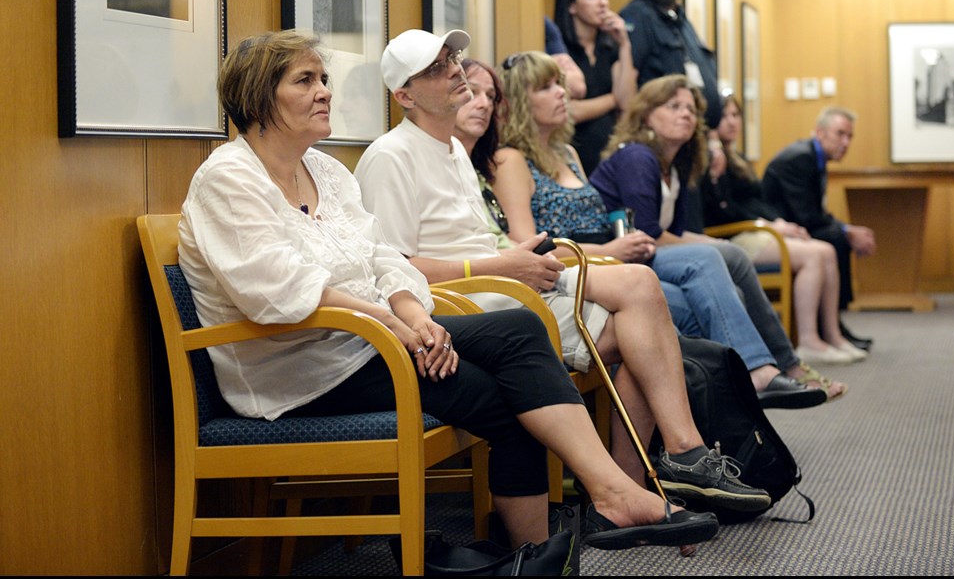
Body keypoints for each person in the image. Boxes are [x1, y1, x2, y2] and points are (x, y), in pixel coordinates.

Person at [176, 29, 721, 552]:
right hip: (300, 369)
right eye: (304, 80)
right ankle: (590, 513)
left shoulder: (324, 169)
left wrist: (414, 316)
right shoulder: (229, 179)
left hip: (367, 343)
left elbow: (384, 259)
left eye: (323, 78)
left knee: (518, 332)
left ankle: (592, 510)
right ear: (256, 97)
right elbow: (280, 291)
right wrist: (397, 327)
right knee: (508, 392)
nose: (324, 91)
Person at [354, 28, 772, 517]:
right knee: (643, 314)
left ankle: (637, 482)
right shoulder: (389, 156)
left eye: (453, 59)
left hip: (502, 279)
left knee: (642, 311)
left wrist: (520, 252)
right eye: (435, 68)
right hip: (474, 302)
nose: (455, 71)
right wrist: (502, 263)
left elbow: (482, 239)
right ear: (404, 95)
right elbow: (395, 269)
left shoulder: (454, 152)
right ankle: (674, 460)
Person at [486, 50, 826, 409]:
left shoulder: (568, 152)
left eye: (559, 83)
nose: (561, 92)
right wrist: (609, 252)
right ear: (521, 101)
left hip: (618, 257)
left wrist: (619, 247)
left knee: (712, 269)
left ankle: (738, 403)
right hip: (581, 268)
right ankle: (743, 392)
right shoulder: (511, 160)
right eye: (546, 87)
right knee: (689, 291)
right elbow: (532, 251)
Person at [591, 74, 848, 401]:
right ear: (646, 114)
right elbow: (648, 235)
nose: (686, 114)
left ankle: (771, 372)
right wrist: (713, 245)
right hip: (620, 257)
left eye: (691, 108)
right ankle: (767, 370)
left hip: (651, 253)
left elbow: (678, 231)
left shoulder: (677, 162)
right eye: (674, 106)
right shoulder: (637, 156)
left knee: (730, 264)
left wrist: (714, 245)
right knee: (717, 255)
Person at [700, 95, 865, 368]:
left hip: (755, 230)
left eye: (736, 115)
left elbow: (757, 202)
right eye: (725, 115)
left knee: (825, 250)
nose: (731, 122)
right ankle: (809, 341)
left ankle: (833, 335)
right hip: (732, 235)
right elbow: (720, 210)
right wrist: (769, 224)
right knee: (813, 256)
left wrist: (780, 224)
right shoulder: (707, 160)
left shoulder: (737, 158)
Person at [762, 106, 876, 351]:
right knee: (836, 239)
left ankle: (833, 322)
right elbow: (807, 216)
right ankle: (831, 323)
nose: (846, 142)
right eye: (840, 134)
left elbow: (813, 214)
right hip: (776, 229)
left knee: (837, 236)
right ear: (820, 132)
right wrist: (846, 230)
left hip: (796, 225)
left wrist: (846, 229)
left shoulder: (815, 157)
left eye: (850, 136)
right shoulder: (799, 159)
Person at [619, 0, 722, 129]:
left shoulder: (681, 19)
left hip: (696, 139)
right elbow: (627, 90)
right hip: (658, 140)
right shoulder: (636, 17)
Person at [553, 0, 637, 177]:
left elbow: (627, 102)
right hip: (571, 150)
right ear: (572, 6)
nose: (603, 3)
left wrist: (625, 44)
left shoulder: (610, 47)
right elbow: (570, 112)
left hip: (608, 151)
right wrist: (612, 99)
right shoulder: (559, 50)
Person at [544, 16, 587, 100]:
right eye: (573, 66)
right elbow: (552, 33)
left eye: (567, 69)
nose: (566, 61)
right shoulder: (561, 55)